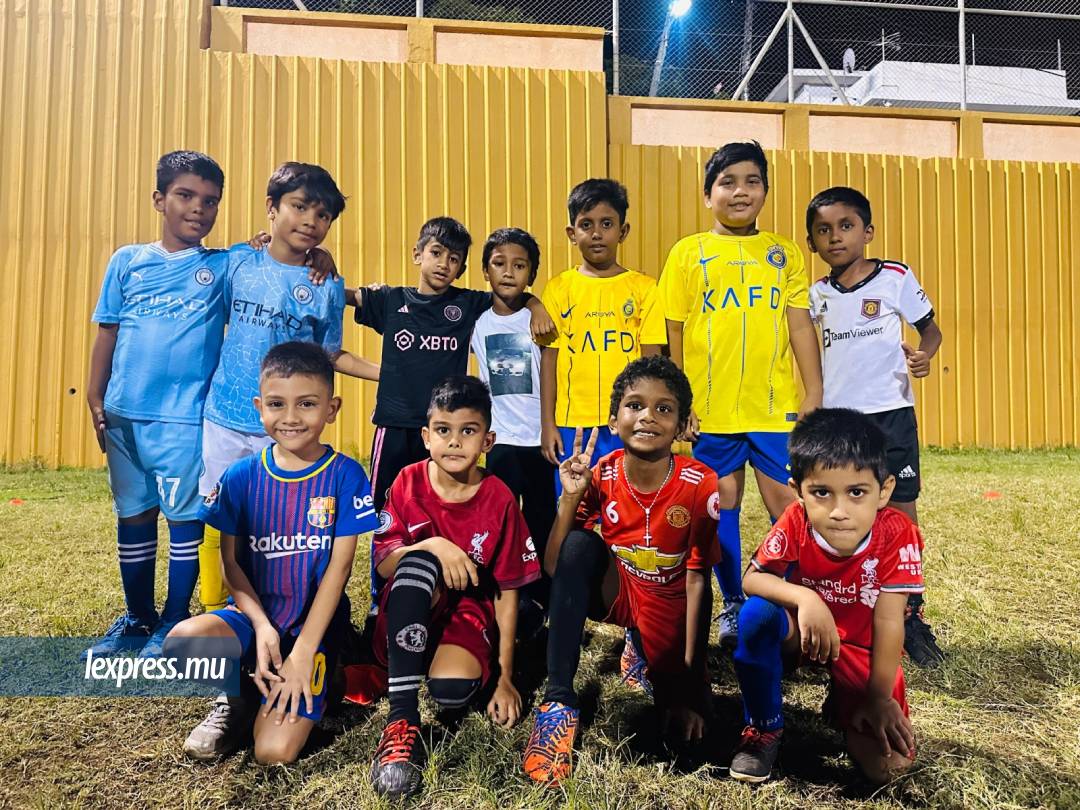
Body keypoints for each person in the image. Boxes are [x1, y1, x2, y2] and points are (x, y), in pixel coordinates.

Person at [170, 341, 379, 764]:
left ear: (331, 408)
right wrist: (262, 627)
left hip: (312, 626)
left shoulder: (346, 476)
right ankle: (240, 698)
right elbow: (231, 565)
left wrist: (303, 653)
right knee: (180, 645)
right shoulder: (241, 477)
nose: (290, 417)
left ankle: (328, 677)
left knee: (272, 752)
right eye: (276, 404)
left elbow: (339, 572)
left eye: (306, 404)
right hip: (253, 617)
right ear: (259, 407)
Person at [523, 356, 719, 786]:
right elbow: (556, 566)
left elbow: (698, 582)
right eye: (635, 406)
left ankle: (644, 650)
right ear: (614, 421)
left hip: (667, 604)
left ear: (683, 424)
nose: (648, 416)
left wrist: (689, 681)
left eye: (664, 409)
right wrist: (570, 500)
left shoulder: (701, 483)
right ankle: (558, 704)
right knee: (579, 544)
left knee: (687, 734)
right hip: (619, 591)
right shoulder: (603, 473)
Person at [197, 162, 379, 622]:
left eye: (322, 216)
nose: (310, 222)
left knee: (272, 524)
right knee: (219, 516)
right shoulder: (237, 260)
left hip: (283, 427)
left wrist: (390, 375)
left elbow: (330, 354)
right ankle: (217, 610)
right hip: (225, 415)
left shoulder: (325, 284)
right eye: (299, 207)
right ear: (271, 209)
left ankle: (281, 606)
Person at [659, 141, 823, 648]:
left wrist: (814, 389)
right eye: (727, 182)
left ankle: (798, 599)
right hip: (712, 412)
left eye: (752, 181)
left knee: (789, 505)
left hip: (773, 408)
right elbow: (671, 334)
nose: (740, 192)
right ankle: (732, 603)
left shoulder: (784, 253)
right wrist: (678, 405)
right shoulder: (689, 253)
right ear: (709, 194)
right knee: (721, 504)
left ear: (766, 191)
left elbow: (798, 326)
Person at [346, 217, 552, 606]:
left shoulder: (467, 303)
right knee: (385, 510)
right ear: (417, 254)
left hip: (443, 431)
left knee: (441, 507)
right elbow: (346, 296)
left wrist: (537, 301)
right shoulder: (392, 299)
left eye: (454, 258)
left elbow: (509, 292)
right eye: (436, 253)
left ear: (462, 267)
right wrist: (312, 265)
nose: (443, 263)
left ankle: (446, 589)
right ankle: (380, 598)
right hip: (394, 425)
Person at [85, 151, 237, 660]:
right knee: (133, 514)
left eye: (210, 200)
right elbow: (109, 329)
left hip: (182, 420)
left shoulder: (221, 266)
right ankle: (138, 615)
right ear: (159, 199)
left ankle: (172, 619)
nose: (198, 208)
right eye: (185, 195)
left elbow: (272, 259)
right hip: (124, 414)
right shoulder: (127, 261)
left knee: (183, 519)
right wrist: (95, 393)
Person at [366, 376, 539, 799]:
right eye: (443, 430)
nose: (455, 442)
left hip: (465, 613)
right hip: (411, 603)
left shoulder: (497, 497)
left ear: (488, 440)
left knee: (452, 690)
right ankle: (402, 719)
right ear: (426, 437)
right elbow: (386, 564)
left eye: (468, 431)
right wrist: (434, 545)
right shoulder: (407, 481)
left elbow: (507, 591)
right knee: (419, 561)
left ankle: (423, 664)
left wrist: (504, 678)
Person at [728, 408, 922, 785]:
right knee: (756, 616)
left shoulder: (897, 532)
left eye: (856, 493)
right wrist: (806, 599)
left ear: (883, 491)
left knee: (889, 769)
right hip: (804, 633)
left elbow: (888, 620)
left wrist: (880, 698)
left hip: (861, 647)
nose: (838, 511)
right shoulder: (796, 519)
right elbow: (752, 579)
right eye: (821, 493)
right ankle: (763, 728)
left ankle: (844, 696)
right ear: (798, 489)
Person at [805, 186, 944, 666]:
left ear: (867, 232)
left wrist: (925, 354)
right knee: (844, 513)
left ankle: (911, 614)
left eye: (845, 226)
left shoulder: (896, 277)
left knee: (900, 511)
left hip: (890, 414)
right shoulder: (815, 295)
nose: (835, 237)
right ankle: (851, 606)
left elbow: (931, 328)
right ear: (812, 243)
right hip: (839, 421)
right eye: (823, 230)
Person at [539, 179, 667, 682]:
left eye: (607, 224)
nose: (597, 233)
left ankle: (637, 630)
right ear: (572, 232)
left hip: (628, 429)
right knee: (569, 522)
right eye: (587, 225)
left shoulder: (644, 289)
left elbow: (653, 367)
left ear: (624, 229)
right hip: (574, 428)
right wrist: (549, 421)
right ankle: (565, 614)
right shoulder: (559, 289)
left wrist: (649, 423)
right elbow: (548, 363)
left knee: (632, 526)